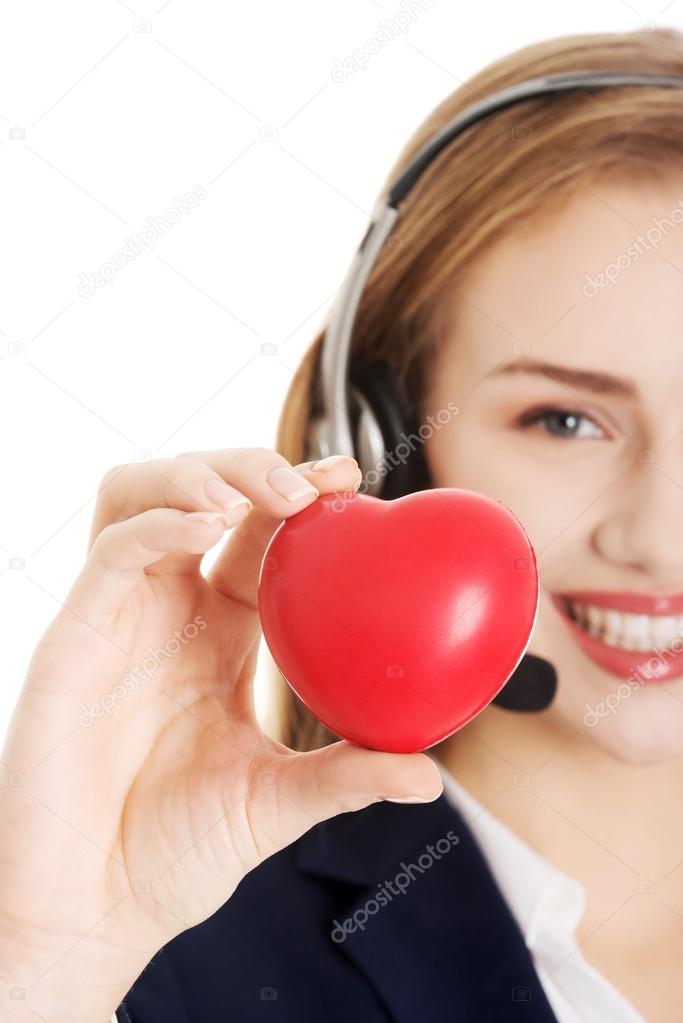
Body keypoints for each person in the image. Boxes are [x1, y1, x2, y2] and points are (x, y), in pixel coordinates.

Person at [3, 25, 683, 1023]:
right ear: (385, 434)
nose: (657, 534)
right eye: (563, 420)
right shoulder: (165, 963)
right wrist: (41, 971)